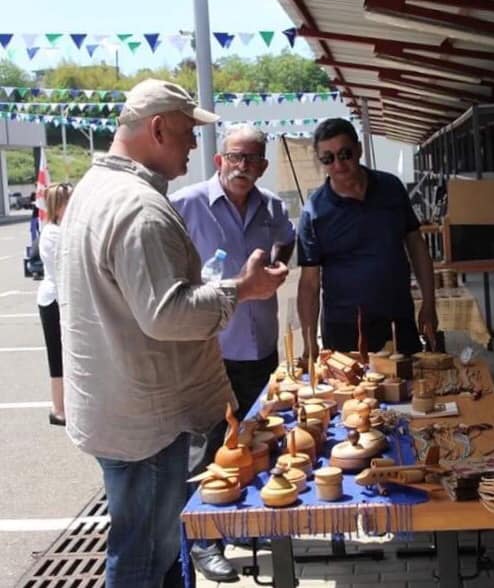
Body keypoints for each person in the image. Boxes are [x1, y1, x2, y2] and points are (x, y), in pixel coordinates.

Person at [56, 78, 289, 588]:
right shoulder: (139, 206)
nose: (194, 145)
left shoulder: (95, 188)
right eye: (187, 133)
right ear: (158, 128)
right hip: (146, 421)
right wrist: (241, 289)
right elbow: (167, 315)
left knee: (148, 550)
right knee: (146, 555)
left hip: (118, 407)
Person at [170, 124, 295, 583]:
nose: (243, 166)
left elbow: (287, 239)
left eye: (252, 159)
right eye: (235, 157)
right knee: (208, 451)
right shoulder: (184, 204)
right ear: (219, 160)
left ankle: (248, 523)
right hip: (211, 351)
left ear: (263, 166)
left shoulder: (273, 207)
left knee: (258, 441)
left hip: (261, 348)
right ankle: (204, 541)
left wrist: (279, 263)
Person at [296, 117, 436, 358]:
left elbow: (416, 246)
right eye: (328, 159)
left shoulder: (391, 187)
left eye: (345, 154)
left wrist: (429, 303)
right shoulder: (314, 212)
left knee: (410, 379)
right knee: (352, 384)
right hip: (344, 329)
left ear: (359, 149)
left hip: (398, 317)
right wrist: (309, 343)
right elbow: (309, 284)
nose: (338, 164)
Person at [36, 182, 72, 426]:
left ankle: (65, 406)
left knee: (67, 355)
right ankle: (58, 409)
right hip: (53, 300)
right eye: (68, 201)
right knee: (57, 357)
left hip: (62, 299)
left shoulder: (60, 230)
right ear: (57, 206)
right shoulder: (52, 233)